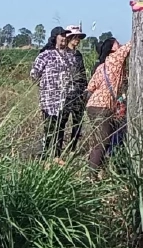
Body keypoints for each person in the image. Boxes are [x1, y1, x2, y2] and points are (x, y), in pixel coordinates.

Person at [85, 35, 131, 170]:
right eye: (117, 43)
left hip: (93, 106)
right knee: (102, 142)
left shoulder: (102, 65)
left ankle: (96, 170)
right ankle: (91, 175)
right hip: (103, 107)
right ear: (112, 49)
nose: (120, 45)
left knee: (99, 140)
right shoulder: (115, 58)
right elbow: (129, 45)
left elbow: (91, 86)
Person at [30, 27, 75, 157]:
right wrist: (46, 85)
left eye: (66, 36)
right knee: (49, 128)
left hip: (64, 99)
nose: (64, 38)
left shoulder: (70, 56)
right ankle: (45, 155)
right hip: (49, 100)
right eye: (61, 35)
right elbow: (34, 73)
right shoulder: (46, 55)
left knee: (60, 128)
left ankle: (56, 155)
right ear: (55, 37)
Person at [62, 25, 89, 155]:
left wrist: (85, 90)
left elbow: (82, 73)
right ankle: (58, 149)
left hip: (79, 92)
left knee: (77, 123)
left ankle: (72, 148)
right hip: (66, 93)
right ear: (69, 38)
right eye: (75, 37)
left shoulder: (78, 55)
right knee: (62, 121)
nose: (77, 40)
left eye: (79, 37)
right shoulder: (62, 53)